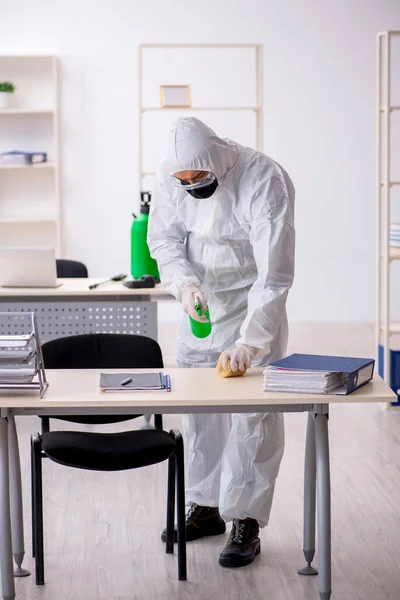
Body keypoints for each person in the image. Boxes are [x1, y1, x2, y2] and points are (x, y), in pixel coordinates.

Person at [147, 117, 295, 568]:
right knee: (199, 411)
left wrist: (251, 342)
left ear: (216, 159)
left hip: (252, 308)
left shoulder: (263, 177)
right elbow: (165, 240)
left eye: (199, 178)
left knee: (253, 414)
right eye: (184, 180)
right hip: (202, 307)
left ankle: (245, 520)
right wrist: (184, 287)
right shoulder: (172, 176)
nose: (191, 185)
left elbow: (274, 274)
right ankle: (206, 506)